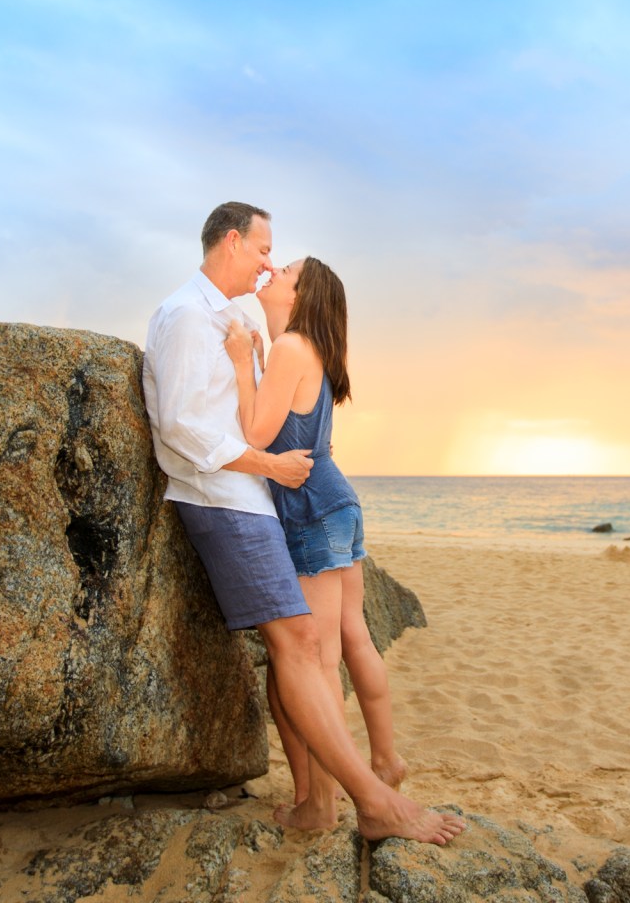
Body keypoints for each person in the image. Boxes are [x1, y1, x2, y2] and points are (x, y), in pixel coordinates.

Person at [141, 202, 464, 845]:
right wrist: (266, 460)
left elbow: (260, 412)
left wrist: (259, 404)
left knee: (304, 649)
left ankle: (325, 801)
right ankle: (371, 800)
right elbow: (179, 426)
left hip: (261, 497)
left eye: (277, 260)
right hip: (226, 497)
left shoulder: (234, 319)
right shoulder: (183, 316)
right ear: (233, 241)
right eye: (265, 251)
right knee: (301, 645)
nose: (269, 264)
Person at [222, 256, 406, 831]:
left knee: (318, 659)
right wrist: (258, 355)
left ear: (301, 296)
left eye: (286, 271)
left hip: (309, 509)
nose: (272, 269)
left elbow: (254, 435)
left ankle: (321, 805)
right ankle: (385, 758)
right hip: (337, 500)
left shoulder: (289, 348)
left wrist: (238, 365)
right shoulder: (308, 349)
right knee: (354, 636)